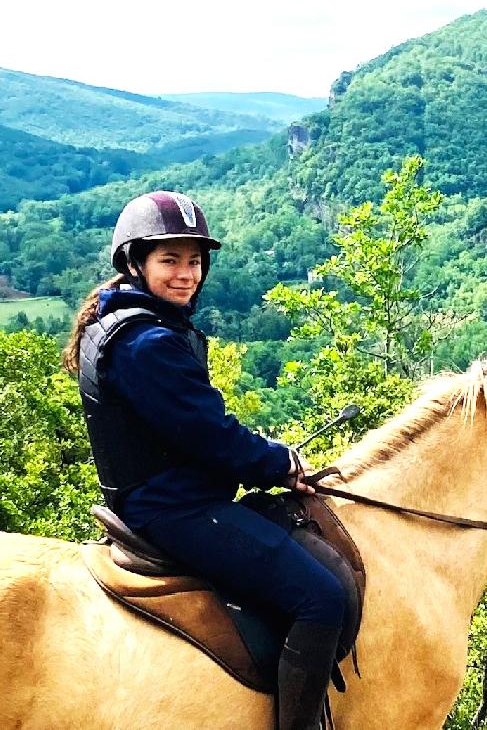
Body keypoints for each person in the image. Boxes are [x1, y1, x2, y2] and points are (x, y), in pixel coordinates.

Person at [64, 190, 345, 730]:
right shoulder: (146, 343)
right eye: (169, 260)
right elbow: (210, 435)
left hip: (169, 498)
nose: (185, 274)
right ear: (135, 263)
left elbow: (191, 428)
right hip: (176, 509)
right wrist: (280, 464)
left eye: (194, 261)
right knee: (321, 599)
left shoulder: (128, 324)